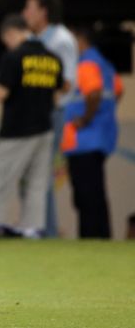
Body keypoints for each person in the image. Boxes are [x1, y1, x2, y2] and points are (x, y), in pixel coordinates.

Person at [0, 15, 63, 237]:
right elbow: (58, 94)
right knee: (37, 183)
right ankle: (32, 228)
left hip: (16, 130)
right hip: (45, 128)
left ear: (11, 33)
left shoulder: (14, 57)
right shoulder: (52, 58)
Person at [22, 0, 78, 237]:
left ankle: (47, 230)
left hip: (51, 114)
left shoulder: (61, 40)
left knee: (41, 173)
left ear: (43, 12)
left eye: (29, 7)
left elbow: (67, 82)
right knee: (34, 173)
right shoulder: (38, 39)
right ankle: (40, 228)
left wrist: (39, 102)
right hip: (40, 113)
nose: (25, 13)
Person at [61, 26, 124, 238]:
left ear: (81, 39)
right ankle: (101, 236)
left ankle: (90, 238)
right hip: (100, 136)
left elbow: (94, 93)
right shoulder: (104, 64)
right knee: (95, 193)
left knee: (86, 195)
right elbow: (117, 90)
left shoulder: (86, 64)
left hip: (84, 139)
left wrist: (86, 118)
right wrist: (103, 114)